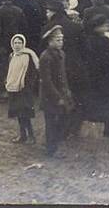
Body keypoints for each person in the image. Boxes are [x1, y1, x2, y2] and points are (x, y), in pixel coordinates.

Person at [39, 25, 71, 157]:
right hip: (50, 96)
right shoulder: (45, 57)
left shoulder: (61, 54)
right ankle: (51, 149)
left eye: (62, 40)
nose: (60, 42)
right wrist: (57, 97)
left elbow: (63, 75)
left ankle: (55, 143)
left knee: (63, 119)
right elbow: (47, 81)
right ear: (50, 41)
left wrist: (67, 91)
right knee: (51, 122)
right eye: (57, 40)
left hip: (62, 93)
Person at [6, 33, 39, 144]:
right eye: (15, 43)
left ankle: (31, 136)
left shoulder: (28, 56)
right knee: (18, 113)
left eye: (19, 43)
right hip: (13, 88)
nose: (17, 45)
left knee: (25, 114)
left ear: (23, 43)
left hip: (24, 89)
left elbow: (32, 73)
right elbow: (10, 71)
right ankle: (22, 135)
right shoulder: (12, 56)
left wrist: (26, 84)